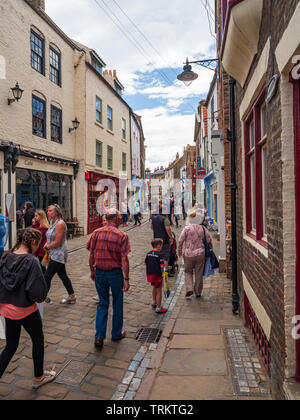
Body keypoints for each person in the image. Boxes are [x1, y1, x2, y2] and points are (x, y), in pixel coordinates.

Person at [0, 228, 56, 389]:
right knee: (38, 340)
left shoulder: (6, 255)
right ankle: (38, 377)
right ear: (33, 242)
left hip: (6, 308)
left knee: (10, 346)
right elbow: (37, 292)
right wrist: (42, 296)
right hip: (24, 309)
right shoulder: (32, 261)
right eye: (37, 244)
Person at [86, 208, 130, 349]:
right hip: (114, 273)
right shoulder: (121, 235)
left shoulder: (96, 233)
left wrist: (92, 271)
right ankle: (116, 333)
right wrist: (127, 278)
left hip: (99, 272)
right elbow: (124, 259)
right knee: (117, 302)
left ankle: (99, 336)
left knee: (103, 303)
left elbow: (91, 255)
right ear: (116, 218)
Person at [44, 204, 76, 305]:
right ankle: (72, 296)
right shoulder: (52, 222)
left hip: (59, 254)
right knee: (63, 275)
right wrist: (47, 244)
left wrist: (47, 247)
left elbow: (58, 242)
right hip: (53, 252)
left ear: (56, 212)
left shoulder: (60, 224)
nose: (48, 212)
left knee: (47, 277)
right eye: (47, 210)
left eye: (50, 211)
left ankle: (40, 298)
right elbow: (50, 237)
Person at [178, 211, 212, 299]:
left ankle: (189, 289)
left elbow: (180, 240)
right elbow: (208, 240)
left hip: (188, 254)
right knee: (199, 273)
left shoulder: (186, 229)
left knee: (188, 271)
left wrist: (179, 250)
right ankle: (197, 292)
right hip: (200, 254)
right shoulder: (203, 229)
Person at [150, 202, 174, 277]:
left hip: (156, 239)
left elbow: (151, 227)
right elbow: (168, 229)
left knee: (157, 254)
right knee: (165, 256)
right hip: (164, 240)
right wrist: (171, 237)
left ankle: (158, 270)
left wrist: (157, 231)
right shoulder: (165, 219)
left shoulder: (154, 218)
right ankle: (166, 272)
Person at [145, 238, 167, 314]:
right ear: (158, 246)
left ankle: (154, 302)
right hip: (157, 275)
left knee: (154, 286)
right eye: (161, 245)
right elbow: (162, 266)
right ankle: (158, 307)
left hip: (149, 275)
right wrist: (164, 272)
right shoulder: (160, 255)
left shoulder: (148, 253)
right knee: (159, 291)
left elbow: (145, 263)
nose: (162, 247)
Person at [31, 209, 49, 274]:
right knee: (42, 266)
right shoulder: (37, 225)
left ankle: (45, 281)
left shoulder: (43, 227)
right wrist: (33, 224)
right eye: (34, 216)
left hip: (42, 249)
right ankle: (45, 280)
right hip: (39, 249)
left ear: (41, 217)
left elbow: (35, 235)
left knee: (42, 267)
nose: (34, 217)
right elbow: (31, 230)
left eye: (36, 216)